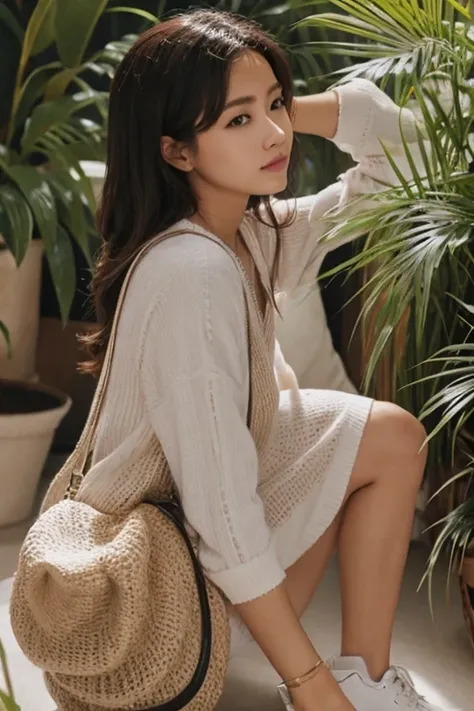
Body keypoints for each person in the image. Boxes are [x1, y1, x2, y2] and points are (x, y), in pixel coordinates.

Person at [78, 8, 434, 711]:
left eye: (275, 106)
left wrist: (249, 96)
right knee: (360, 441)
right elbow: (221, 511)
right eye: (238, 121)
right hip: (159, 611)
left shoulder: (243, 234)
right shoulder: (191, 271)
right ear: (176, 151)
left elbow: (405, 154)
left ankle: (368, 685)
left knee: (391, 435)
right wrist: (309, 685)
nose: (274, 133)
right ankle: (336, 695)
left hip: (193, 562)